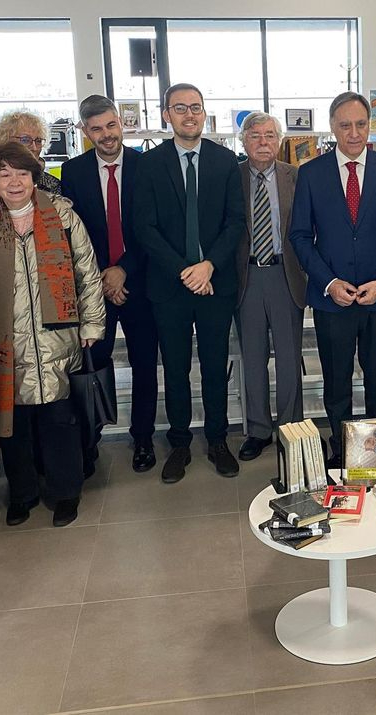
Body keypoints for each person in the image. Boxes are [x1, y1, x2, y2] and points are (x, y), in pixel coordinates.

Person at [0, 142, 105, 526]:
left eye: (22, 173)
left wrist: (90, 324)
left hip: (59, 339)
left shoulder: (62, 215)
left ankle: (66, 492)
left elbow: (86, 271)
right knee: (13, 425)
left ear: (35, 177)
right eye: (4, 174)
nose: (14, 182)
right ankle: (21, 494)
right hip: (6, 344)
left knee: (60, 420)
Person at [289, 92, 376, 469]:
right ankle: (344, 451)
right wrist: (328, 282)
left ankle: (373, 456)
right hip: (333, 300)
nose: (354, 133)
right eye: (345, 125)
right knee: (337, 382)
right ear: (332, 127)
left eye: (361, 124)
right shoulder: (311, 173)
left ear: (370, 125)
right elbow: (299, 236)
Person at [132, 84, 245, 483]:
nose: (189, 115)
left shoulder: (226, 160)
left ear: (204, 113)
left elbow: (235, 222)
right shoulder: (148, 165)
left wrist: (209, 265)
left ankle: (217, 440)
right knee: (176, 368)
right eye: (180, 108)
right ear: (166, 115)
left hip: (216, 283)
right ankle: (179, 442)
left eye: (196, 108)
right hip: (169, 285)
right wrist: (186, 270)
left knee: (215, 367)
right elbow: (144, 228)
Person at [60, 95, 158, 474]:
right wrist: (103, 272)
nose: (106, 135)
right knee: (93, 365)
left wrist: (123, 270)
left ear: (122, 124)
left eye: (111, 126)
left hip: (140, 283)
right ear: (86, 132)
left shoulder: (146, 166)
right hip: (95, 286)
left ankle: (144, 438)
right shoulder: (72, 171)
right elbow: (76, 232)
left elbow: (152, 227)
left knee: (144, 362)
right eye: (97, 129)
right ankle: (91, 441)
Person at [232, 112, 306, 461]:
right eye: (255, 136)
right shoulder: (231, 177)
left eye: (270, 135)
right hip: (246, 276)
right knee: (253, 357)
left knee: (290, 358)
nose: (263, 142)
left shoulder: (297, 176)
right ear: (243, 140)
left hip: (285, 274)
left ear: (279, 140)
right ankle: (258, 429)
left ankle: (291, 429)